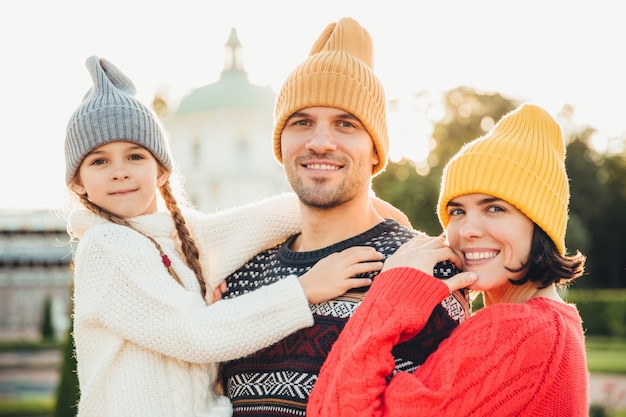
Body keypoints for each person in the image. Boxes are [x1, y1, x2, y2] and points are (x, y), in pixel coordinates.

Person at [64, 55, 392, 417]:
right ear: (78, 182)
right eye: (99, 161)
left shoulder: (176, 239)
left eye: (135, 156)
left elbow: (260, 220)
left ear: (161, 170)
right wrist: (305, 289)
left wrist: (378, 214)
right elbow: (197, 334)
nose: (119, 172)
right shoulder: (106, 245)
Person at [219, 17, 471, 416]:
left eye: (346, 124)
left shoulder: (423, 269)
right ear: (280, 144)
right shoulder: (240, 275)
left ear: (375, 151)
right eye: (302, 122)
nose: (320, 142)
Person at [307, 103, 589, 416]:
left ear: (540, 224)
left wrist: (390, 295)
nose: (466, 230)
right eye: (457, 211)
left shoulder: (519, 329)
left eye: (494, 208)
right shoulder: (556, 323)